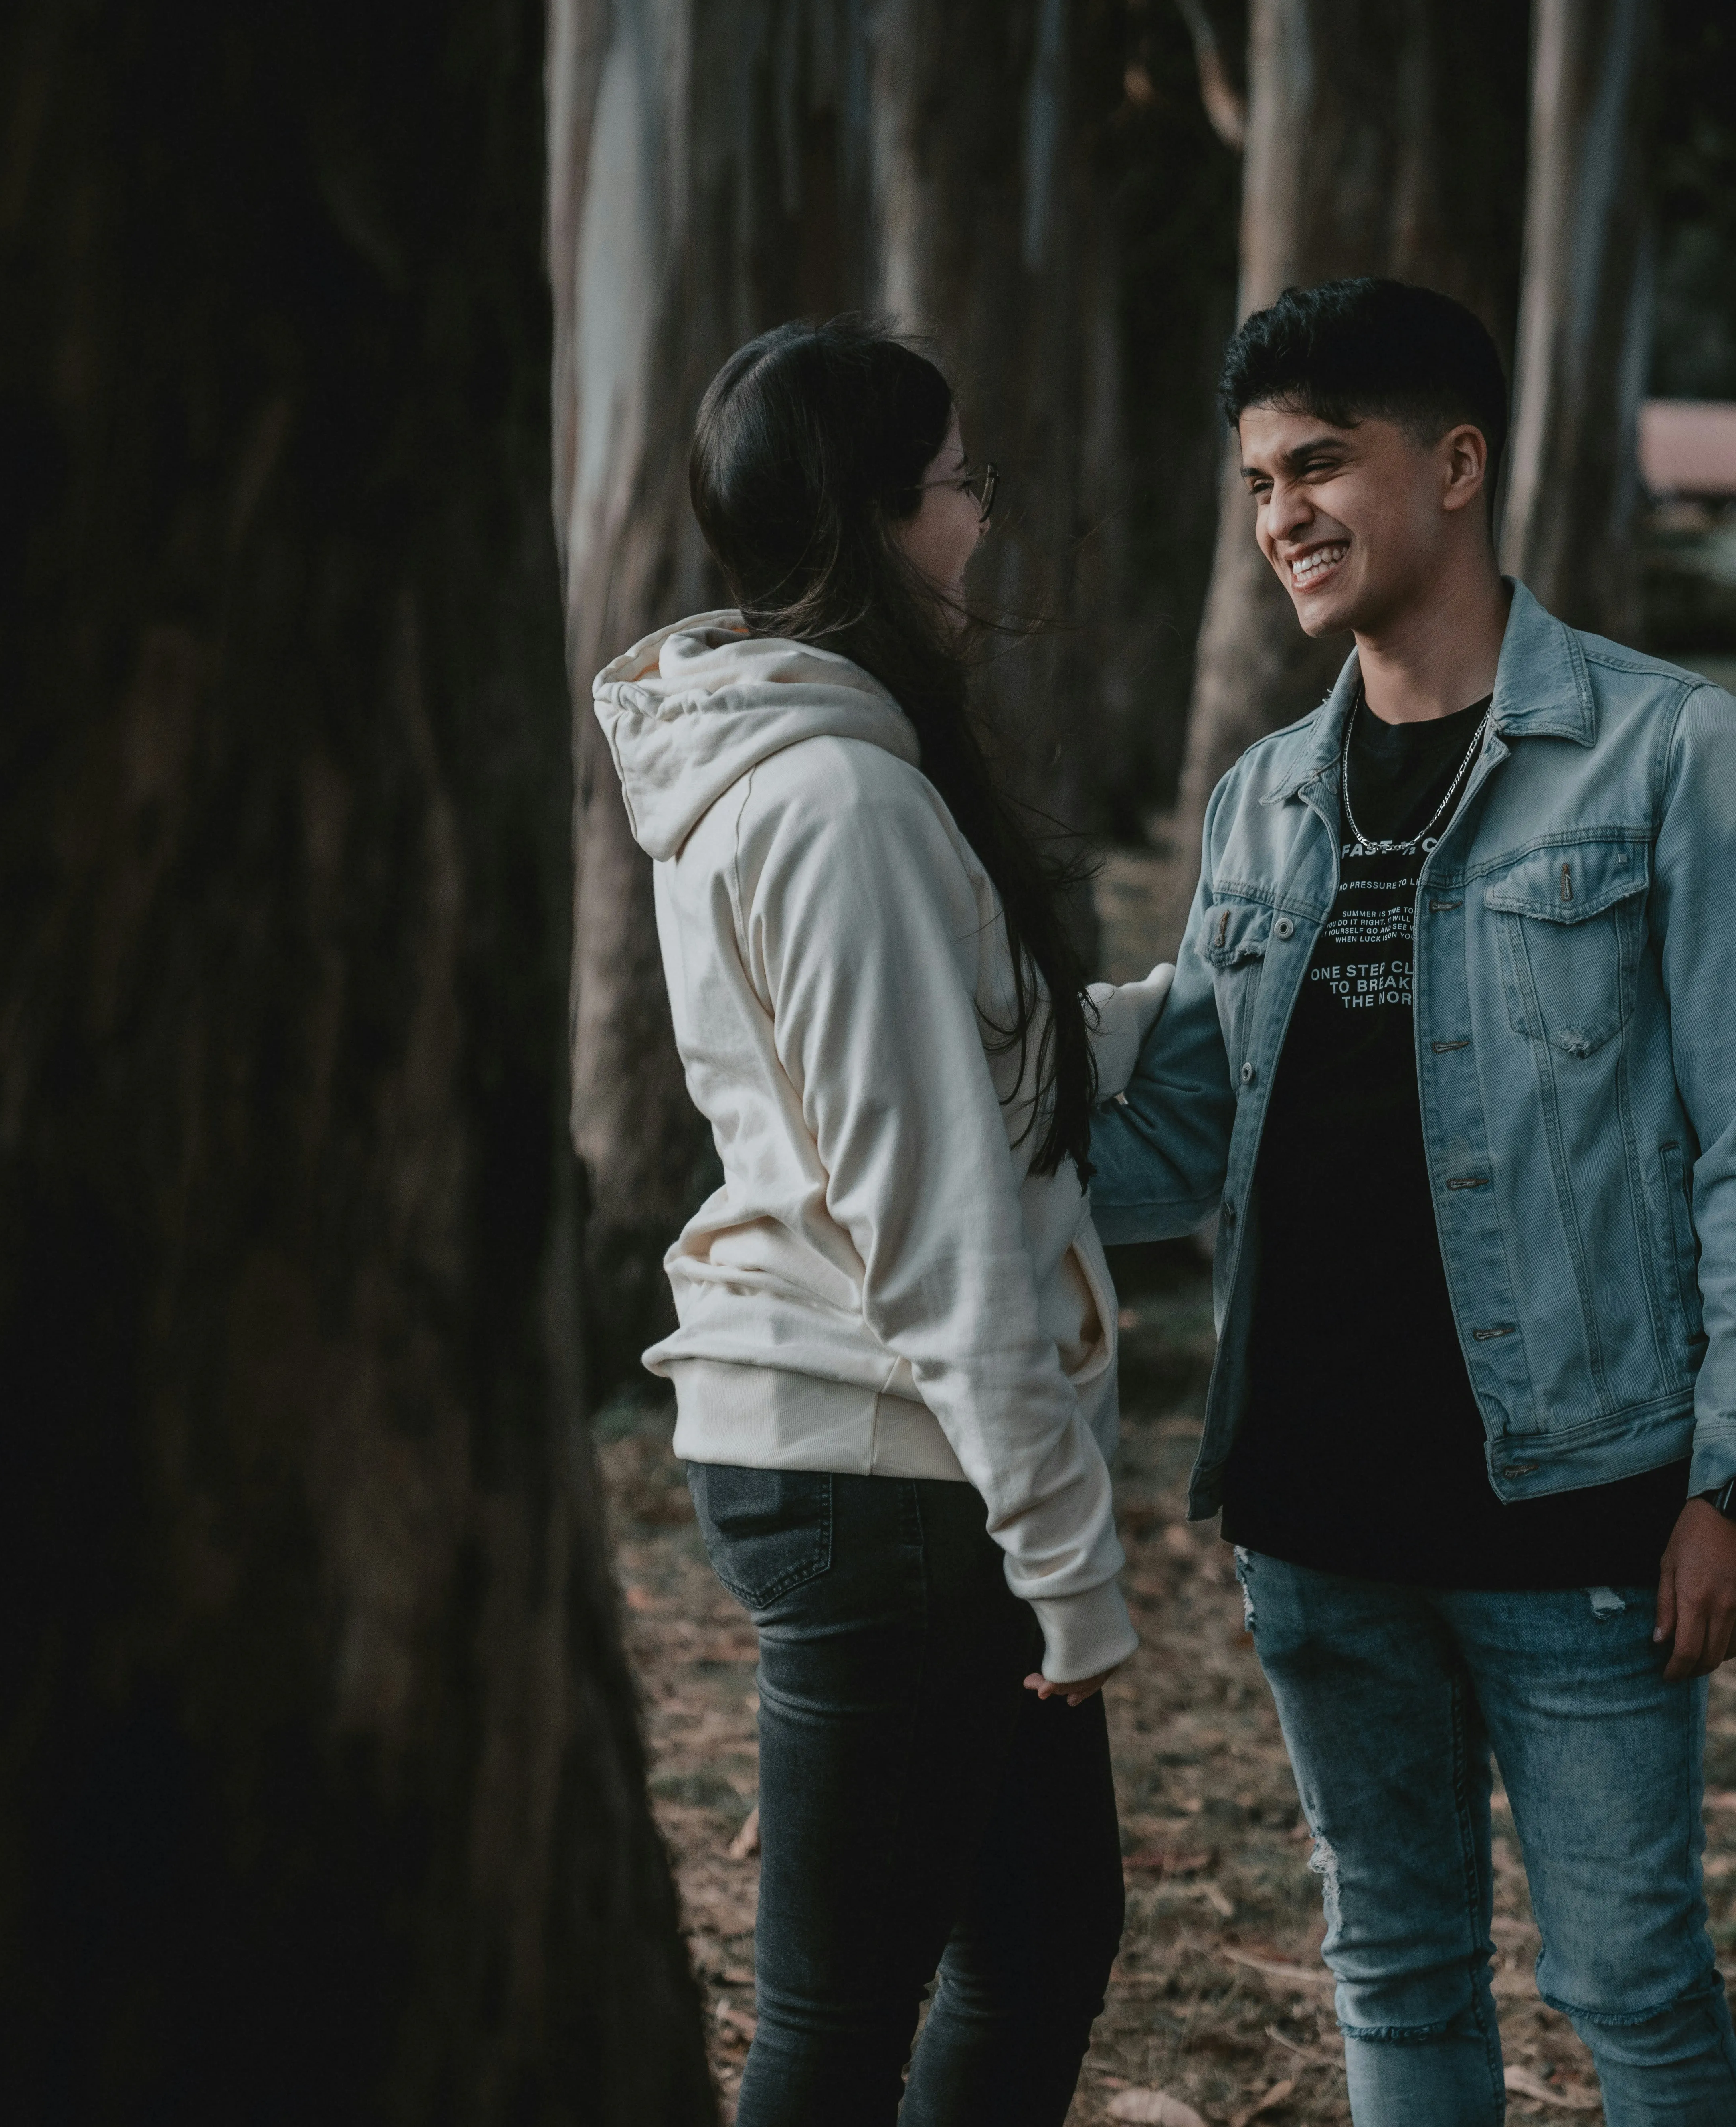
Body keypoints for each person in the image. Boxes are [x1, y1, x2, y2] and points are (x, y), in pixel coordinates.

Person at [1093, 278, 1736, 2126]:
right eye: (1260, 479)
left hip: (1573, 1515)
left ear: (1456, 463)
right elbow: (1182, 1142)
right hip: (1308, 1516)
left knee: (1632, 1987)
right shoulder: (1261, 800)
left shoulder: (1677, 760)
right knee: (1397, 1972)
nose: (1279, 514)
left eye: (1320, 463)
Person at [593, 317, 1135, 2126]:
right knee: (835, 2024)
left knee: (1043, 1940)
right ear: (881, 513)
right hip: (885, 1475)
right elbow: (925, 1206)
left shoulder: (811, 763)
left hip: (889, 1463)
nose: (979, 522)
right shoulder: (834, 797)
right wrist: (1064, 1544)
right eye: (961, 485)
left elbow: (951, 1061)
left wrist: (1200, 995)